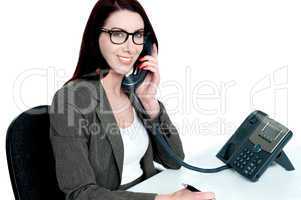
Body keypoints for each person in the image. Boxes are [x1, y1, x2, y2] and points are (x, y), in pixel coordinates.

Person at [49, 0, 215, 200]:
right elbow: (80, 193)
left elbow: (175, 160)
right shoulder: (71, 100)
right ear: (96, 37)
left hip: (153, 189)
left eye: (137, 35)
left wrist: (150, 103)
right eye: (118, 34)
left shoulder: (133, 92)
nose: (130, 47)